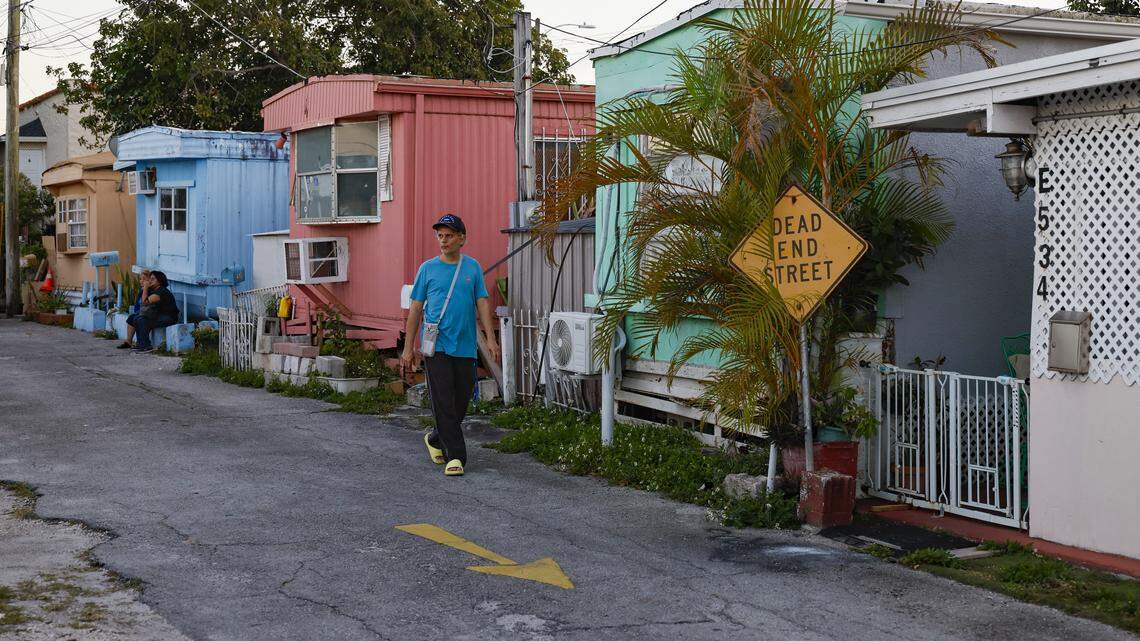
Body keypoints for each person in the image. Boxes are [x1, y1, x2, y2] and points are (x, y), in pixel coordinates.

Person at [401, 214, 500, 477]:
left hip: (466, 345)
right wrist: (408, 347)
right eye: (440, 236)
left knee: (461, 401)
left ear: (462, 239)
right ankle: (455, 456)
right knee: (443, 400)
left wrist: (490, 338)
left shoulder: (472, 268)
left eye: (449, 236)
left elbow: (482, 303)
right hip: (437, 347)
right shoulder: (427, 269)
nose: (443, 241)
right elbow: (415, 309)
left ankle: (435, 438)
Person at [126, 271, 179, 353]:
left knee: (142, 320)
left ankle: (146, 346)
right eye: (150, 278)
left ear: (159, 281)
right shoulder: (155, 290)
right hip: (159, 315)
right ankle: (140, 344)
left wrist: (146, 288)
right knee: (136, 318)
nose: (150, 281)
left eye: (153, 279)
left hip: (169, 317)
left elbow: (144, 302)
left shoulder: (161, 291)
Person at [117, 269, 152, 349]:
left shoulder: (150, 291)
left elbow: (145, 303)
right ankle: (128, 341)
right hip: (140, 313)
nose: (141, 281)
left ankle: (141, 343)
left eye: (144, 279)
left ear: (149, 281)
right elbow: (137, 306)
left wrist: (146, 289)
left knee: (137, 318)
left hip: (148, 314)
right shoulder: (141, 292)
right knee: (131, 318)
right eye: (140, 279)